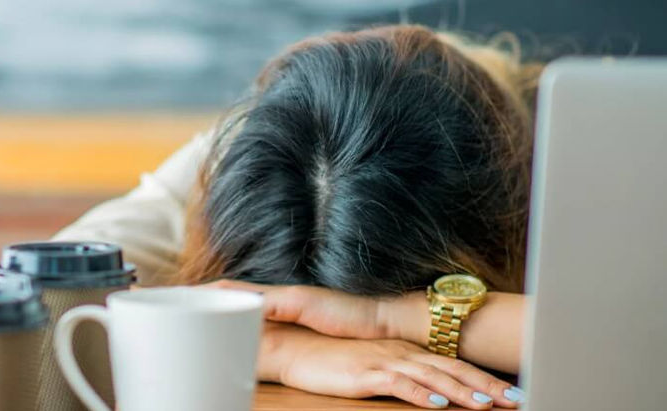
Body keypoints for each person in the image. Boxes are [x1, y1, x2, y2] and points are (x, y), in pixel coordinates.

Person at [54, 25, 541, 409]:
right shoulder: (260, 149)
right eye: (300, 321)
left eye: (326, 327)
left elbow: (618, 343)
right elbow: (27, 298)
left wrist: (386, 318)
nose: (332, 337)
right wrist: (277, 350)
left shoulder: (579, 135)